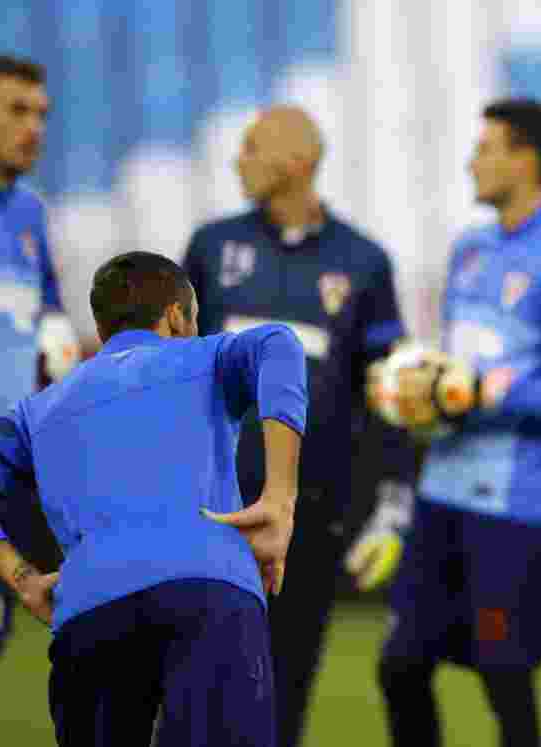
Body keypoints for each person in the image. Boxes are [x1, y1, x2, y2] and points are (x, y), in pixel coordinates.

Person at [0, 251, 306, 746]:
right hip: (208, 593)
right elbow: (280, 343)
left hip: (88, 611)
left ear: (103, 330)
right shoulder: (204, 358)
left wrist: (19, 577)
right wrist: (280, 496)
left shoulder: (38, 411)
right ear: (175, 314)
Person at [365, 98, 541, 747]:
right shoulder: (469, 248)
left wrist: (486, 395)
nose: (472, 160)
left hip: (518, 508)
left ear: (524, 160)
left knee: (505, 675)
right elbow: (458, 371)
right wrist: (422, 395)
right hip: (443, 492)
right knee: (399, 665)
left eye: (485, 147)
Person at [181, 105, 416, 747]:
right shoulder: (210, 247)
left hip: (308, 517)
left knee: (282, 698)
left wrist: (393, 505)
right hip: (209, 507)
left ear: (298, 162)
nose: (238, 159)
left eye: (252, 147)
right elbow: (166, 372)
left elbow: (388, 396)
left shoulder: (364, 263)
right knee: (193, 694)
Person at [0, 54, 78, 744]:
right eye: (17, 110)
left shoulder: (31, 215)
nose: (34, 127)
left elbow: (50, 322)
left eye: (42, 114)